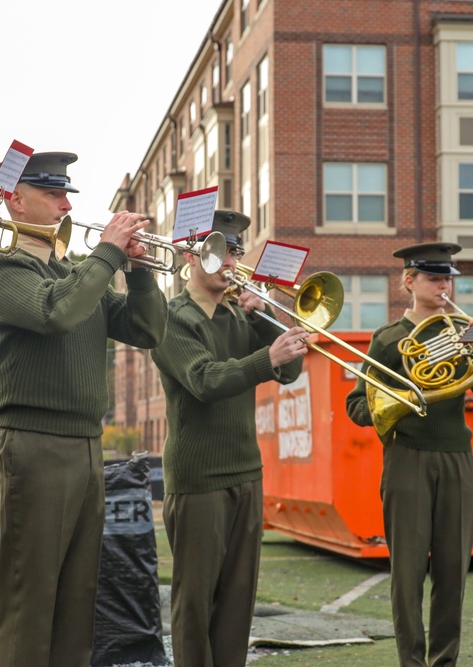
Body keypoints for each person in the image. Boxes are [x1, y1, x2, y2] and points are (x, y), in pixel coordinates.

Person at [0, 151, 167, 667]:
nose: (65, 204)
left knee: (78, 598)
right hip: (34, 442)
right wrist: (107, 254)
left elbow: (147, 331)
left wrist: (142, 271)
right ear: (15, 199)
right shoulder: (4, 269)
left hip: (85, 444)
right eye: (53, 194)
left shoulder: (79, 271)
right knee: (31, 597)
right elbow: (56, 312)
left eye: (66, 195)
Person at [150, 210, 307, 666]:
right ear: (191, 254)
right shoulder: (171, 317)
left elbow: (291, 368)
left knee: (239, 602)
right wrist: (265, 356)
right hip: (198, 479)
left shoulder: (240, 316)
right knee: (195, 604)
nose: (232, 260)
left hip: (246, 473)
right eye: (223, 249)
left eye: (237, 251)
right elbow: (205, 380)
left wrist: (263, 321)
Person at [345, 242, 473, 667]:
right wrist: (390, 407)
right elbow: (356, 403)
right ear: (409, 281)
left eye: (447, 278)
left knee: (452, 573)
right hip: (407, 458)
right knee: (408, 575)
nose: (443, 285)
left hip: (457, 457)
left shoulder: (465, 331)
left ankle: (445, 662)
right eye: (434, 278)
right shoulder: (389, 339)